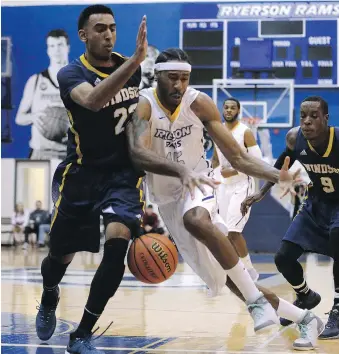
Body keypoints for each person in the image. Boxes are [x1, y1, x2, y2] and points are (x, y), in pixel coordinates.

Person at [35, 7, 215, 354]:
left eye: (113, 28)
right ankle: (49, 294)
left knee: (117, 246)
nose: (108, 35)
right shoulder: (70, 73)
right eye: (99, 29)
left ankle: (83, 332)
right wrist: (134, 62)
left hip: (122, 175)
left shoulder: (131, 69)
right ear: (83, 35)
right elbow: (92, 100)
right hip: (82, 174)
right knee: (60, 256)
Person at [128, 48, 323, 350]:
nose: (179, 85)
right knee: (231, 281)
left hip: (201, 182)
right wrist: (179, 170)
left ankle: (257, 302)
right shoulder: (144, 105)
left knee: (196, 220)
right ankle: (305, 318)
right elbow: (137, 153)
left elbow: (237, 157)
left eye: (184, 78)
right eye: (173, 78)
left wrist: (276, 175)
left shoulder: (200, 103)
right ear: (158, 76)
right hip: (167, 198)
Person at [241, 96, 339, 339]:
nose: (306, 121)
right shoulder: (295, 139)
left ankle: (338, 305)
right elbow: (281, 164)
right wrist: (262, 191)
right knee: (284, 256)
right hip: (316, 204)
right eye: (303, 116)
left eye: (313, 116)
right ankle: (305, 295)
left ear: (326, 118)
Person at [212, 97, 261, 282]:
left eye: (233, 107)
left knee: (233, 231)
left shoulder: (245, 132)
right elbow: (216, 160)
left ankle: (250, 272)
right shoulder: (217, 131)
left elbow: (257, 161)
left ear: (238, 110)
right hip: (224, 187)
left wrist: (233, 170)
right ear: (222, 110)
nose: (229, 110)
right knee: (224, 233)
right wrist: (214, 177)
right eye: (226, 107)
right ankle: (233, 273)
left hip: (243, 185)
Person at [15, 29, 70, 159]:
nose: (56, 50)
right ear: (48, 50)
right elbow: (19, 118)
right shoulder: (36, 80)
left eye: (60, 45)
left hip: (70, 154)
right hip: (41, 152)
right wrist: (33, 117)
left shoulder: (80, 80)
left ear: (67, 47)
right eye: (52, 46)